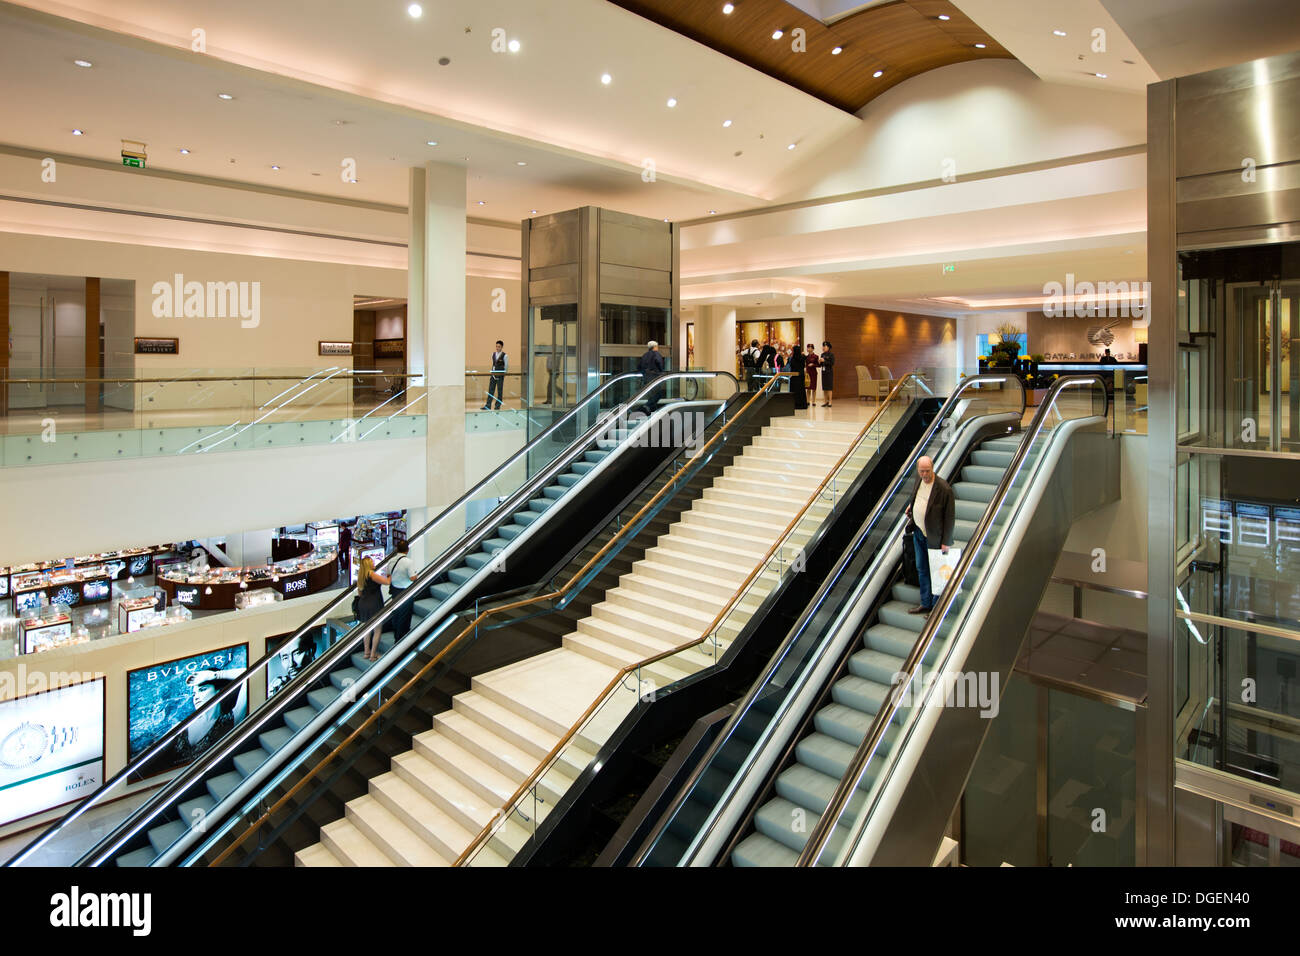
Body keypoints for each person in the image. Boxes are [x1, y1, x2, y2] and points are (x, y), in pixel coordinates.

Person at [163, 667, 248, 767]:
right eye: (194, 694)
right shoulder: (181, 727)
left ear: (219, 691)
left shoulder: (233, 718)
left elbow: (250, 672)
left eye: (202, 690)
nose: (196, 697)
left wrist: (213, 675)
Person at [903, 456, 955, 615]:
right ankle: (925, 603)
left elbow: (950, 517)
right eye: (921, 471)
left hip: (936, 538)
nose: (924, 474)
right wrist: (911, 507)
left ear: (932, 468)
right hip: (919, 532)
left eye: (927, 471)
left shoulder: (943, 488)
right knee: (922, 568)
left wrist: (946, 542)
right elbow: (918, 498)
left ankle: (937, 607)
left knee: (938, 572)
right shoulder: (919, 481)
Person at [355, 555, 390, 661]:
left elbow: (360, 593)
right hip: (374, 604)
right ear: (369, 564)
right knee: (377, 629)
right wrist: (389, 574)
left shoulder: (360, 576)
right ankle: (373, 654)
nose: (374, 563)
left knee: (366, 629)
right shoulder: (372, 574)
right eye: (372, 562)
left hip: (363, 604)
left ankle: (366, 652)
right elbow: (387, 582)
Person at [385, 540, 414, 642]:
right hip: (406, 591)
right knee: (405, 614)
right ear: (407, 549)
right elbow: (412, 577)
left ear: (397, 549)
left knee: (396, 612)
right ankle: (401, 637)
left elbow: (388, 575)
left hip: (394, 590)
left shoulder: (391, 560)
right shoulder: (408, 562)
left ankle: (396, 633)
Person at [637, 340, 666, 414]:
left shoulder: (644, 355)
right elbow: (660, 364)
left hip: (646, 378)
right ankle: (647, 406)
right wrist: (662, 373)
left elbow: (639, 366)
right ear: (655, 347)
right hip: (655, 377)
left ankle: (649, 409)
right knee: (658, 394)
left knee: (651, 394)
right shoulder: (656, 354)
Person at [482, 340, 508, 410]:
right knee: (491, 390)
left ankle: (497, 405)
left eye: (499, 347)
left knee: (499, 391)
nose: (497, 348)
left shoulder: (505, 355)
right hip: (493, 375)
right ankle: (488, 405)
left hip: (500, 376)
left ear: (502, 347)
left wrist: (504, 374)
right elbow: (493, 364)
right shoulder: (493, 354)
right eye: (496, 346)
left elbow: (506, 366)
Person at [787, 344, 807, 409]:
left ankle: (795, 404)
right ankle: (802, 404)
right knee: (801, 390)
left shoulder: (792, 358)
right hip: (801, 376)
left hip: (794, 376)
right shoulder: (802, 358)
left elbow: (791, 366)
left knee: (794, 391)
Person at [819, 341, 836, 408]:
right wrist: (820, 361)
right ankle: (825, 401)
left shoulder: (831, 355)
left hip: (829, 372)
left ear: (828, 347)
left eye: (825, 346)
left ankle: (830, 402)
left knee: (829, 387)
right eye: (823, 346)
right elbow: (820, 365)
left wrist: (824, 361)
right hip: (823, 372)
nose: (823, 348)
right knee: (824, 387)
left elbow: (832, 363)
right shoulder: (822, 354)